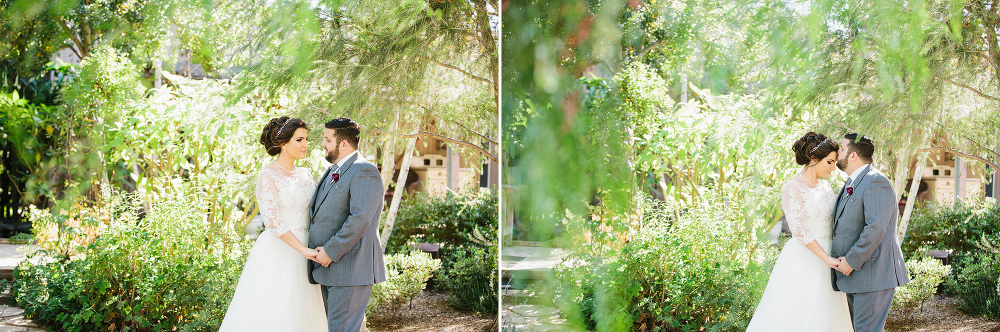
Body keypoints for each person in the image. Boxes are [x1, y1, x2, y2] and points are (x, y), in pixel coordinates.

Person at [219, 116, 328, 331]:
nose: (306, 144)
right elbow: (272, 220)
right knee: (279, 310)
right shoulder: (267, 175)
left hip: (310, 246)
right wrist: (302, 250)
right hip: (282, 249)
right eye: (299, 140)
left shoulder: (306, 174)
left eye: (306, 139)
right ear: (283, 144)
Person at [746, 131, 854, 332]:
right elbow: (799, 230)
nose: (833, 168)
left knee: (828, 314)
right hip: (806, 256)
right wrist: (826, 258)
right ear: (814, 158)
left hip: (831, 254)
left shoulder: (825, 186)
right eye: (829, 162)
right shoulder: (792, 187)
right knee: (803, 312)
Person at [308, 117, 387, 332]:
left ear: (343, 143)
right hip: (330, 268)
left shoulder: (364, 170)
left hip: (350, 267)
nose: (323, 143)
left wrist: (331, 251)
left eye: (327, 139)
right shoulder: (335, 169)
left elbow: (360, 219)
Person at [830, 133, 909, 332]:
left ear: (853, 155)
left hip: (871, 274)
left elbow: (875, 229)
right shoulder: (852, 181)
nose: (838, 152)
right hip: (854, 276)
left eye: (842, 148)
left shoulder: (876, 181)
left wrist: (851, 261)